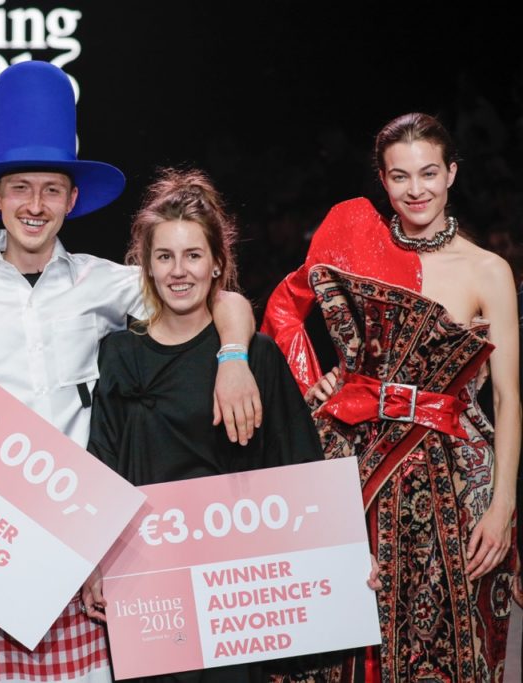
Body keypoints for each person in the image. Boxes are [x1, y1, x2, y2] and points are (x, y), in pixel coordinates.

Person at [0, 61, 261, 683]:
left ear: (72, 199)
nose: (35, 206)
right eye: (20, 188)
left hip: (78, 547)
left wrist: (234, 357)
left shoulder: (106, 284)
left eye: (51, 190)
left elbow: (221, 297)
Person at [262, 112, 520, 682]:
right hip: (352, 458)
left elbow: (508, 399)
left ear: (452, 173)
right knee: (339, 630)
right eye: (400, 176)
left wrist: (503, 506)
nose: (416, 189)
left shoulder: (488, 270)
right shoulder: (356, 243)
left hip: (454, 475)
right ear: (382, 179)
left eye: (429, 172)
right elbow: (284, 307)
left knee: (445, 641)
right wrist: (311, 379)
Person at [81, 168, 328, 682]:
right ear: (146, 265)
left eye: (193, 255)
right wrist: (96, 561)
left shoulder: (254, 356)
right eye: (164, 256)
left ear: (217, 264)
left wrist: (340, 558)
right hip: (149, 593)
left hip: (235, 595)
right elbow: (101, 466)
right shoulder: (118, 355)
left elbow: (299, 468)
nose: (179, 271)